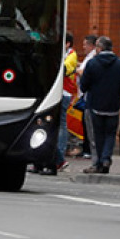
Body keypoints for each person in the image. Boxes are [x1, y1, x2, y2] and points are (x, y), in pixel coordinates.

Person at [77, 36, 120, 174]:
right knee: (110, 134)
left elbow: (83, 85)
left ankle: (97, 163)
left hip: (94, 104)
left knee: (96, 135)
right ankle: (106, 159)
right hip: (113, 105)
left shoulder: (92, 63)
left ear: (99, 48)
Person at [42, 32, 77, 175]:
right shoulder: (65, 54)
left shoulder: (72, 55)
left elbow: (62, 70)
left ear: (67, 44)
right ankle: (51, 159)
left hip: (64, 93)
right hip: (56, 92)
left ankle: (59, 157)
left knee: (61, 125)